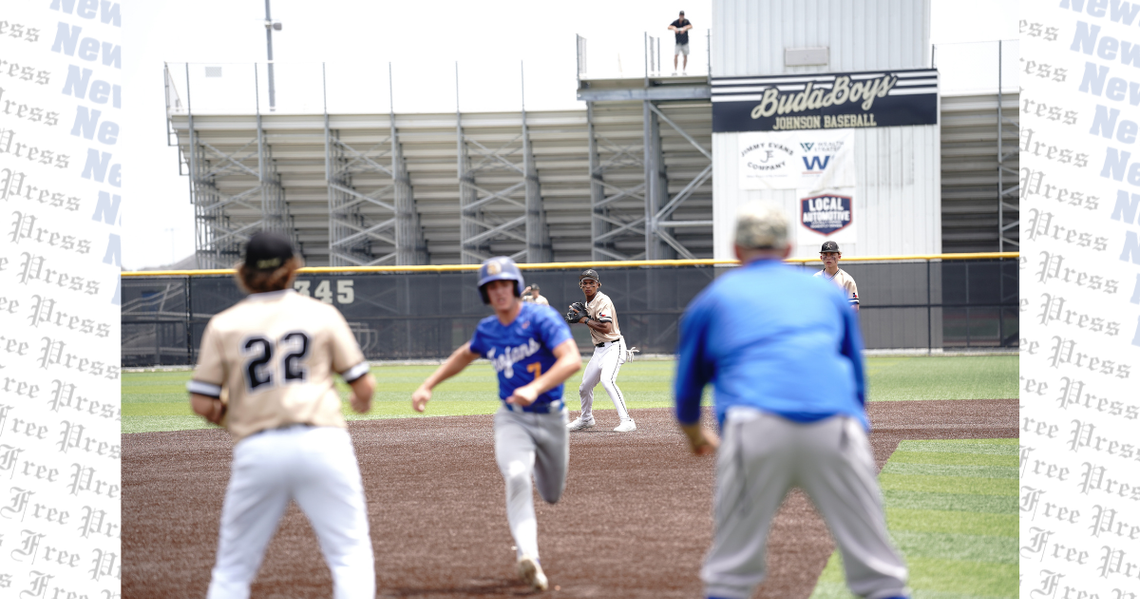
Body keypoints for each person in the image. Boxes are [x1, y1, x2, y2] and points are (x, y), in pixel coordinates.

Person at [673, 203, 909, 599]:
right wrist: (852, 432)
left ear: (735, 249)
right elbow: (856, 376)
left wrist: (696, 435)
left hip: (755, 427)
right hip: (836, 426)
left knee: (731, 575)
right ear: (787, 249)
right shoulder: (826, 294)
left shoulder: (713, 298)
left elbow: (686, 393)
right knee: (878, 574)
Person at [187, 231, 377, 599]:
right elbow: (364, 386)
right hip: (322, 442)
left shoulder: (224, 324)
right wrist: (361, 402)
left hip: (258, 447)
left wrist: (236, 417)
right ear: (293, 268)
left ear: (243, 271)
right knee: (349, 557)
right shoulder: (320, 313)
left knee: (232, 570)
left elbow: (202, 403)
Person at [411, 256, 581, 592]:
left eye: (504, 284)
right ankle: (529, 557)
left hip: (551, 418)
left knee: (551, 493)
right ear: (485, 293)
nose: (499, 291)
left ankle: (529, 550)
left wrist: (535, 387)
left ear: (515, 286)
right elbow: (464, 354)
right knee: (517, 474)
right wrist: (428, 384)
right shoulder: (488, 330)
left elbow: (572, 359)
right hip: (512, 419)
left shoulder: (541, 318)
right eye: (492, 287)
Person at [565, 269, 637, 433]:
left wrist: (584, 319)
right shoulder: (587, 304)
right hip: (599, 350)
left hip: (614, 346)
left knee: (607, 380)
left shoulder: (603, 300)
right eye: (585, 283)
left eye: (592, 283)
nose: (588, 286)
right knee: (584, 387)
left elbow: (606, 327)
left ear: (598, 285)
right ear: (581, 286)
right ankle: (586, 418)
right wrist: (583, 316)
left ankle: (627, 420)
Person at [815, 240, 860, 312]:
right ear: (821, 257)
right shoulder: (815, 278)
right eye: (825, 255)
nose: (828, 258)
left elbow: (854, 306)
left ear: (839, 257)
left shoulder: (846, 280)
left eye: (832, 254)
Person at [668, 10, 693, 75]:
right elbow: (669, 27)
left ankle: (684, 70)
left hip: (685, 42)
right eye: (681, 15)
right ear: (679, 16)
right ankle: (675, 70)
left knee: (685, 55)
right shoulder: (676, 22)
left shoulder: (686, 21)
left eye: (682, 15)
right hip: (678, 42)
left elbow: (690, 26)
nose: (681, 16)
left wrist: (685, 28)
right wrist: (674, 28)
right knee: (676, 55)